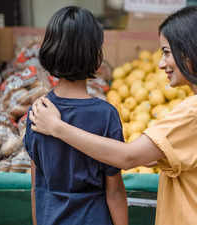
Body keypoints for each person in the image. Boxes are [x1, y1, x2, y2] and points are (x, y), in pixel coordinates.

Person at [30, 5, 197, 225]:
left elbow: (128, 157)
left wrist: (58, 127)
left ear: (192, 53)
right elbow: (143, 161)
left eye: (166, 53)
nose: (161, 64)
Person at [23, 6, 128, 225]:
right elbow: (115, 192)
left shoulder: (38, 111)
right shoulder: (106, 115)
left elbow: (37, 186)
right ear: (97, 57)